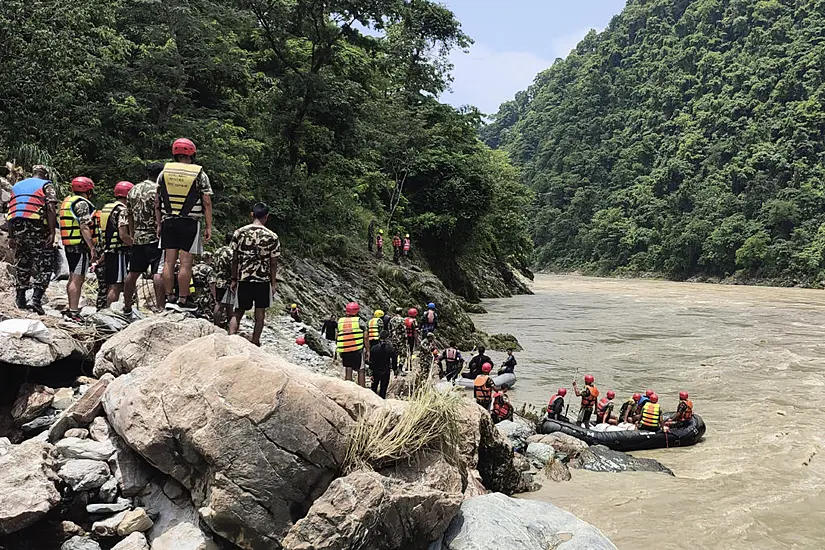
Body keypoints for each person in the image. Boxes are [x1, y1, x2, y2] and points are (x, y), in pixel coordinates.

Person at [156, 138, 213, 312]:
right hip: (190, 222)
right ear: (192, 153)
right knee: (186, 263)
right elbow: (207, 201)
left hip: (168, 221)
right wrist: (208, 226)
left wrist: (158, 223)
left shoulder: (164, 172)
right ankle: (182, 299)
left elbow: (157, 201)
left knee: (168, 262)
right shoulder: (199, 173)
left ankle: (169, 297)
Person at [228, 202, 280, 346]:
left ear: (252, 214)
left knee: (238, 311)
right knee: (260, 314)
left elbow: (235, 259)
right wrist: (273, 283)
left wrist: (234, 278)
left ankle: (231, 338)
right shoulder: (272, 236)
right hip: (262, 280)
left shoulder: (239, 232)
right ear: (267, 216)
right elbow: (273, 262)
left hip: (244, 278)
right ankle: (255, 341)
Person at [7, 165, 57, 314]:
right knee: (45, 263)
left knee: (23, 262)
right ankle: (36, 299)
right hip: (36, 227)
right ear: (45, 175)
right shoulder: (46, 185)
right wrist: (52, 232)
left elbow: (12, 210)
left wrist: (11, 235)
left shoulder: (17, 186)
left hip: (18, 227)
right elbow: (51, 208)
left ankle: (20, 299)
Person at [123, 163, 166, 315]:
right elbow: (160, 211)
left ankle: (127, 305)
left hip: (138, 237)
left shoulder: (133, 190)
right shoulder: (158, 190)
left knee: (133, 272)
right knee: (158, 272)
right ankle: (161, 308)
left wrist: (133, 233)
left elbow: (129, 214)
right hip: (155, 237)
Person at [59, 176, 98, 321]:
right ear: (88, 190)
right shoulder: (82, 204)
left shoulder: (68, 201)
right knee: (77, 278)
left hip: (69, 244)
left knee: (72, 277)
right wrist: (92, 247)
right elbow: (84, 226)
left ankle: (71, 308)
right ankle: (74, 311)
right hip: (78, 246)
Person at [100, 181, 134, 307]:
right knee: (117, 285)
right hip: (119, 252)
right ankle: (111, 311)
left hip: (108, 251)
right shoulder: (123, 210)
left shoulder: (107, 208)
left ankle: (108, 309)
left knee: (112, 284)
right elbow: (123, 235)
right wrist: (134, 245)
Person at [337, 301, 368, 387]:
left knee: (348, 368)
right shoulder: (360, 322)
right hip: (357, 349)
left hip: (345, 349)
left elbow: (338, 335)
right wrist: (368, 350)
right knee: (361, 370)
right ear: (357, 311)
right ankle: (362, 389)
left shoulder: (341, 321)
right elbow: (365, 337)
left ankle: (348, 388)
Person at [211, 234, 233, 327]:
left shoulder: (218, 251)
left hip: (218, 279)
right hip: (228, 280)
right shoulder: (232, 252)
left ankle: (216, 324)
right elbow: (233, 266)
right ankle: (230, 324)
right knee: (230, 304)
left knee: (218, 303)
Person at [369, 330, 398, 399]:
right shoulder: (390, 349)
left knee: (374, 389)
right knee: (383, 390)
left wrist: (370, 373)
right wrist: (395, 370)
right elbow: (394, 360)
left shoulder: (374, 348)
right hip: (386, 371)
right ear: (387, 338)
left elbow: (371, 362)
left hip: (375, 371)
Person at [191, 253, 217, 320]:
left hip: (194, 293)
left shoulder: (194, 268)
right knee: (207, 314)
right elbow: (211, 283)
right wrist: (215, 296)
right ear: (208, 258)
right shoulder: (209, 269)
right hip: (206, 295)